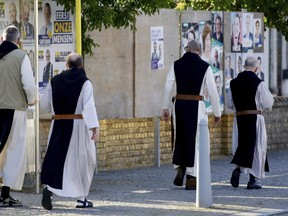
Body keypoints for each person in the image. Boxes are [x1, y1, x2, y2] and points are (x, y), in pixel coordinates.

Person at [40, 53, 100, 210]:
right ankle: (82, 199)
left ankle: (50, 189)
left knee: (58, 160)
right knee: (84, 161)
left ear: (66, 65)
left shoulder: (55, 81)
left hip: (58, 124)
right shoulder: (85, 82)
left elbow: (44, 105)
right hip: (79, 125)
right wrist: (94, 127)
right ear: (81, 66)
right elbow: (89, 106)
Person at [162, 40, 221, 190]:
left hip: (179, 105)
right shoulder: (205, 67)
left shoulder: (176, 64)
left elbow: (168, 85)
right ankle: (192, 177)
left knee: (180, 137)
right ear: (199, 51)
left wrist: (165, 107)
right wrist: (217, 112)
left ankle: (180, 165)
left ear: (188, 49)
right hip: (197, 105)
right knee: (196, 140)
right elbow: (213, 92)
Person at [0, 26, 37, 207]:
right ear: (19, 40)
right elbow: (28, 85)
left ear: (2, 38)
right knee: (13, 151)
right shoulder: (21, 56)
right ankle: (5, 195)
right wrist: (32, 100)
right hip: (14, 109)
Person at [228, 56, 274, 190]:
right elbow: (268, 102)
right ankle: (253, 180)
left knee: (241, 145)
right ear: (256, 68)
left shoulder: (233, 83)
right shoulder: (258, 82)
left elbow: (230, 103)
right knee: (257, 147)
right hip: (255, 117)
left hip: (240, 118)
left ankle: (238, 169)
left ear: (244, 66)